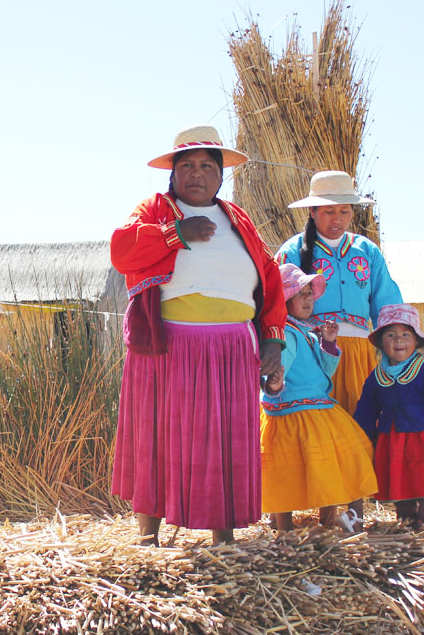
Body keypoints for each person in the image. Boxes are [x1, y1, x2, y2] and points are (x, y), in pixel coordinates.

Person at [110, 125, 287, 546]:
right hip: (168, 343)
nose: (196, 173)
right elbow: (122, 251)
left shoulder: (236, 219)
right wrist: (176, 234)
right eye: (186, 165)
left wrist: (273, 341)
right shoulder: (153, 209)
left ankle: (222, 537)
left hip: (232, 347)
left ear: (221, 176)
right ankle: (148, 536)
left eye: (208, 165)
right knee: (157, 432)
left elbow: (270, 278)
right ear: (172, 173)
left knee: (223, 440)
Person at [260, 263, 377, 533]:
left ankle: (328, 518)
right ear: (283, 300)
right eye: (300, 293)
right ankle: (285, 526)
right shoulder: (287, 334)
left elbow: (325, 371)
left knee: (333, 461)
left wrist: (328, 343)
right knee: (288, 469)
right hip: (295, 413)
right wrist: (274, 384)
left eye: (310, 292)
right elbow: (279, 367)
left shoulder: (306, 332)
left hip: (317, 407)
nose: (308, 297)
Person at [276, 171, 402, 414]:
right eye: (329, 211)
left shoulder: (366, 250)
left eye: (345, 211)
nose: (338, 219)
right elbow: (276, 304)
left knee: (363, 422)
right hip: (310, 355)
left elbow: (387, 305)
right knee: (317, 423)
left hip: (359, 353)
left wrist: (397, 351)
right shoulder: (291, 252)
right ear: (312, 212)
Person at [353, 304, 424, 531]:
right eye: (390, 335)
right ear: (381, 342)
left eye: (406, 335)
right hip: (392, 441)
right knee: (400, 488)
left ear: (417, 342)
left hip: (423, 441)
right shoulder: (377, 376)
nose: (398, 341)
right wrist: (362, 439)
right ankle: (406, 525)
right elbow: (366, 410)